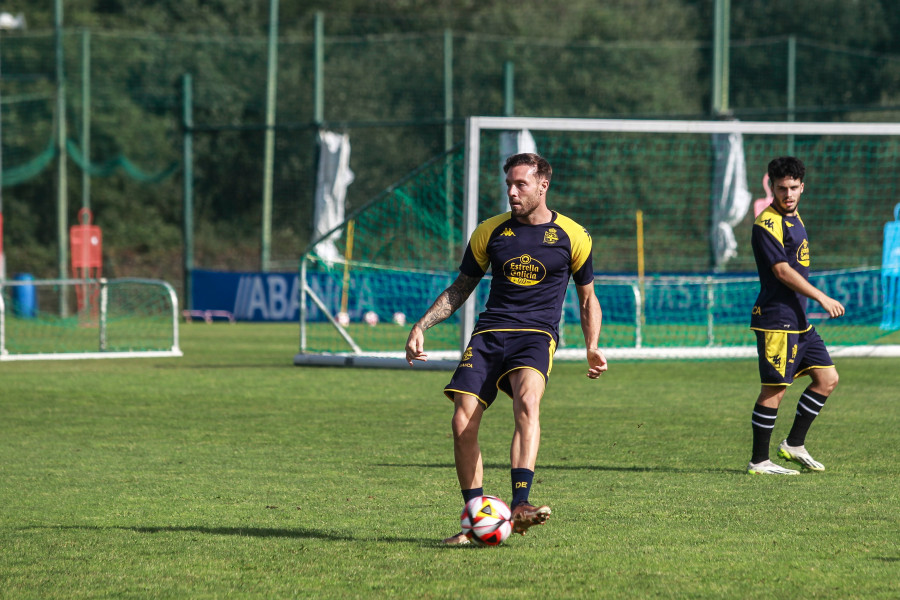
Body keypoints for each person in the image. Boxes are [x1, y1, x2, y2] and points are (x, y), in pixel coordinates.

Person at [405, 152, 607, 544]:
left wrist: (592, 346)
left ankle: (520, 505)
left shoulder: (573, 235)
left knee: (527, 401)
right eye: (508, 186)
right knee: (462, 420)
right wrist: (421, 325)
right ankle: (475, 521)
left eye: (521, 185)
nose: (512, 193)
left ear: (543, 185)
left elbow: (587, 299)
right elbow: (461, 287)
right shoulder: (491, 231)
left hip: (536, 335)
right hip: (490, 333)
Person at [747, 156, 844, 475]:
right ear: (771, 187)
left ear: (802, 187)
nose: (787, 194)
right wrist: (820, 296)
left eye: (793, 188)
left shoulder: (795, 215)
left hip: (800, 321)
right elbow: (782, 271)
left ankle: (793, 445)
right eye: (781, 188)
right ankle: (759, 461)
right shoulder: (767, 223)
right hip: (777, 320)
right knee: (775, 389)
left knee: (827, 379)